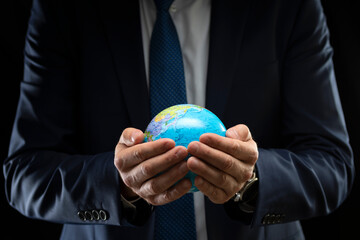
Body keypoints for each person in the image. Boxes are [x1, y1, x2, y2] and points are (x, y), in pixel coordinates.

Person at [3, 0, 355, 239]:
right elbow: (25, 173)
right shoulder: (63, 10)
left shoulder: (288, 7)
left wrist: (251, 180)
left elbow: (331, 163)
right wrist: (121, 185)